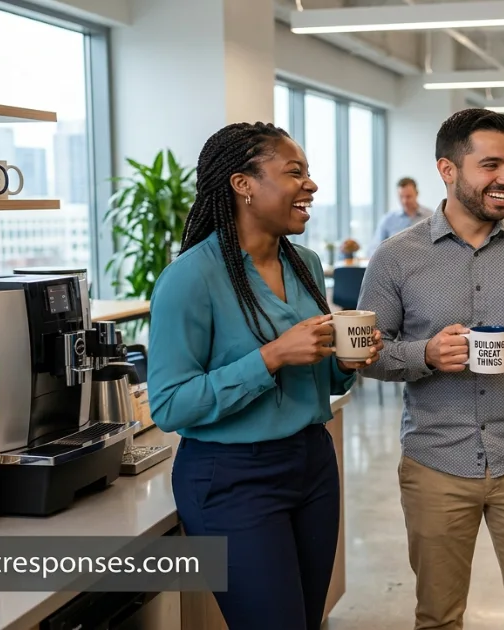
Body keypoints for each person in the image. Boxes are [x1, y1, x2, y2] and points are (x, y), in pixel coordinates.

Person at [357, 108, 504, 630]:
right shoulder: (395, 258)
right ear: (448, 169)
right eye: (490, 165)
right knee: (437, 618)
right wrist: (425, 355)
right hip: (435, 462)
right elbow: (368, 354)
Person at [147, 122, 383, 630]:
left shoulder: (306, 265)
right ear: (243, 185)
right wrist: (271, 356)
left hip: (313, 463)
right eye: (294, 172)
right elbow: (168, 405)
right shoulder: (190, 278)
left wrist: (343, 365)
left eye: (309, 173)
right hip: (231, 479)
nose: (311, 186)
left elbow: (323, 383)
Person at [370, 176, 434, 254]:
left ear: (417, 194)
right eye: (401, 197)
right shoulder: (388, 219)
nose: (404, 201)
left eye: (408, 196)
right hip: (394, 264)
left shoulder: (431, 216)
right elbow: (374, 248)